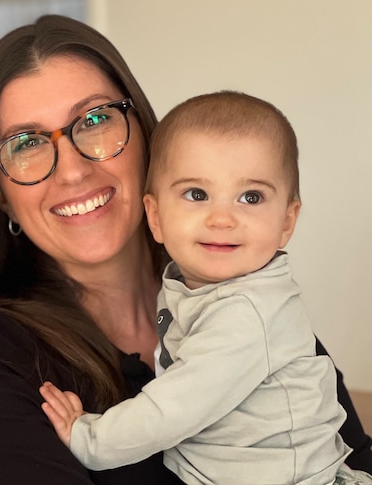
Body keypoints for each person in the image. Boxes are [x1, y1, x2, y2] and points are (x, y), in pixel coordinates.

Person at [0, 14, 372, 485]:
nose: (72, 172)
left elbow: (348, 457)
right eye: (26, 142)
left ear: (147, 141)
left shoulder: (244, 295)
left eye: (95, 120)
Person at [39, 91, 372, 484]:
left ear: (286, 220)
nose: (222, 218)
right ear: (156, 216)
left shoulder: (248, 314)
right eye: (197, 194)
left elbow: (172, 410)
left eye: (251, 197)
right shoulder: (194, 286)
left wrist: (88, 437)